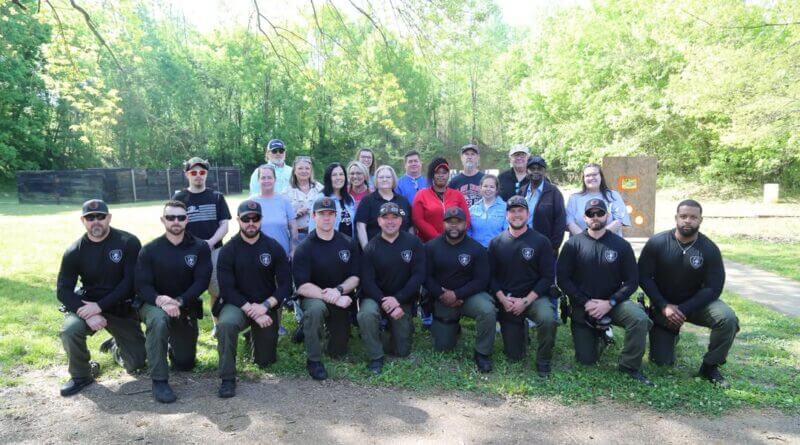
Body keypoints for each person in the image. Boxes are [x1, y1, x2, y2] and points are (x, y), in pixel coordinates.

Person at [638, 199, 737, 388]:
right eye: (683, 216)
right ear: (676, 218)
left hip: (696, 305)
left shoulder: (709, 249)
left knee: (727, 318)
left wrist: (683, 309)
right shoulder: (657, 243)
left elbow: (714, 287)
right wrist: (663, 305)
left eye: (693, 217)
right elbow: (643, 277)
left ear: (701, 220)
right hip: (664, 306)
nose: (687, 221)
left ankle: (710, 366)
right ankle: (671, 334)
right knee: (661, 363)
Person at [557, 199, 653, 385]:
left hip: (614, 303)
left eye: (599, 213)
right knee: (586, 361)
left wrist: (610, 302)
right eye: (591, 214)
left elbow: (632, 281)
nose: (595, 217)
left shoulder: (621, 245)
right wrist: (585, 302)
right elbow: (563, 280)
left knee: (639, 319)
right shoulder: (572, 245)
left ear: (607, 216)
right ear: (584, 218)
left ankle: (629, 365)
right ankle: (601, 335)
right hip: (583, 305)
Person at [56, 199, 146, 396]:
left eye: (100, 217)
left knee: (137, 364)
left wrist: (100, 306)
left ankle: (116, 347)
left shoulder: (128, 242)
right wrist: (89, 313)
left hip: (121, 307)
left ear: (109, 218)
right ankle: (81, 375)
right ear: (83, 221)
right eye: (90, 218)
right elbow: (63, 291)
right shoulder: (74, 251)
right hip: (88, 307)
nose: (95, 221)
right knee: (70, 330)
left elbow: (130, 282)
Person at [135, 200, 212, 403]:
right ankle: (159, 381)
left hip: (183, 306)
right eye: (170, 217)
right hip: (154, 304)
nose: (175, 221)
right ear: (163, 220)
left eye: (180, 217)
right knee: (159, 321)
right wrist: (161, 300)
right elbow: (142, 285)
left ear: (187, 220)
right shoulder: (150, 249)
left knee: (184, 364)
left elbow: (202, 281)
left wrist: (178, 301)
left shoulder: (200, 247)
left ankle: (167, 346)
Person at [215, 200, 291, 398]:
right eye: (246, 219)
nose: (251, 223)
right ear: (238, 220)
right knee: (226, 325)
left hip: (266, 306)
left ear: (261, 220)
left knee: (264, 361)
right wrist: (252, 310)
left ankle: (252, 338)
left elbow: (284, 285)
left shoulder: (273, 247)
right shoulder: (229, 250)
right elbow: (227, 289)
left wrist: (265, 306)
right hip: (237, 304)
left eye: (255, 218)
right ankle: (227, 378)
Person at [488, 196, 557, 377]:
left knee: (548, 317)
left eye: (520, 211)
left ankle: (543, 361)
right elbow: (490, 277)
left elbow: (548, 276)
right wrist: (502, 299)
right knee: (515, 356)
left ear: (528, 213)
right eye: (512, 211)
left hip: (534, 297)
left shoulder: (541, 242)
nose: (516, 215)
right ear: (506, 215)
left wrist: (526, 301)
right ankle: (521, 332)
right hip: (508, 300)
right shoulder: (496, 243)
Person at [294, 197, 361, 380]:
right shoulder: (305, 247)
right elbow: (302, 286)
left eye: (331, 214)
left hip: (339, 295)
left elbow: (355, 277)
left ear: (336, 216)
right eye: (322, 214)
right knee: (315, 311)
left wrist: (339, 291)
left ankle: (308, 329)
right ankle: (313, 360)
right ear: (314, 217)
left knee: (337, 351)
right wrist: (333, 297)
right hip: (313, 296)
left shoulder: (347, 242)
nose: (327, 218)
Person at [357, 202, 426, 374]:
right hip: (375, 297)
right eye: (385, 218)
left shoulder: (413, 243)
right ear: (379, 221)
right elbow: (367, 281)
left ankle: (385, 330)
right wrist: (384, 302)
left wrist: (398, 299)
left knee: (402, 351)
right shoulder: (371, 247)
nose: (390, 221)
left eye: (394, 217)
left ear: (401, 220)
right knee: (366, 314)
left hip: (402, 299)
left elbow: (418, 276)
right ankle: (376, 357)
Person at [425, 207, 495, 372]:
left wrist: (458, 294)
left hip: (469, 296)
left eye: (458, 222)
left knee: (487, 310)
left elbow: (482, 280)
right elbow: (425, 277)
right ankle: (453, 327)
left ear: (466, 224)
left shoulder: (476, 248)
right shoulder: (430, 247)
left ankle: (482, 353)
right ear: (444, 224)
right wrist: (441, 294)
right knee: (443, 346)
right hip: (442, 297)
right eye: (450, 222)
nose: (454, 226)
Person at [172, 157, 231, 332]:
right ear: (187, 174)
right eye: (194, 172)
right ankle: (184, 327)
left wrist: (210, 243)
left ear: (206, 174)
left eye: (202, 172)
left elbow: (225, 225)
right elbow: (175, 225)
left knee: (217, 291)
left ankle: (217, 325)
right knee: (186, 292)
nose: (198, 176)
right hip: (187, 252)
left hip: (214, 251)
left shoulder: (217, 197)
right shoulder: (179, 198)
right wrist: (195, 246)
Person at [412, 157, 471, 243]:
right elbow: (418, 220)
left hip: (455, 242)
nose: (441, 175)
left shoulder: (457, 195)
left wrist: (456, 236)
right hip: (429, 244)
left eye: (444, 172)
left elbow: (467, 218)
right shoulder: (421, 195)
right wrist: (438, 239)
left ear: (448, 175)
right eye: (437, 172)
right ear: (432, 175)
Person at [518, 156, 567, 256]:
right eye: (532, 169)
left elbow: (560, 221)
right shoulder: (522, 191)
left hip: (545, 247)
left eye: (539, 169)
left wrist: (554, 246)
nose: (536, 171)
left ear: (544, 171)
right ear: (527, 171)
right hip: (522, 243)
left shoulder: (554, 192)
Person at [355, 165, 413, 249]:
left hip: (402, 250)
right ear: (376, 180)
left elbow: (410, 226)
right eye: (381, 177)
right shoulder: (367, 200)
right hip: (375, 251)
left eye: (388, 177)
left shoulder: (403, 201)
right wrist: (367, 250)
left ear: (393, 180)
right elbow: (360, 226)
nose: (384, 179)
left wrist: (410, 247)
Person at [566, 163, 631, 237]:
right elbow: (569, 222)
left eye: (594, 174)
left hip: (609, 244)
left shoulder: (613, 196)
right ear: (583, 179)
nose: (591, 178)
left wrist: (598, 237)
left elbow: (619, 220)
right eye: (587, 175)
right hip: (581, 246)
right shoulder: (574, 198)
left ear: (601, 176)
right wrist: (584, 240)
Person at [252, 164, 298, 257]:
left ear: (275, 179)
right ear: (258, 180)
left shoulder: (284, 201)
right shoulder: (251, 202)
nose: (266, 180)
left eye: (269, 177)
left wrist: (293, 249)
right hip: (258, 255)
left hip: (282, 254)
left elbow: (293, 227)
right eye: (263, 178)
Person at [309, 162, 356, 237]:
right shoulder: (321, 198)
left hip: (349, 245)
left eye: (341, 174)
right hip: (328, 245)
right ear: (328, 178)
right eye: (334, 175)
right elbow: (313, 226)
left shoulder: (350, 199)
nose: (338, 178)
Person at [283, 156, 323, 242]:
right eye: (300, 168)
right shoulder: (286, 192)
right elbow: (281, 218)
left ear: (311, 171)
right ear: (294, 171)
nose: (304, 171)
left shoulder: (320, 189)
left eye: (307, 168)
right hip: (297, 236)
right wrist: (295, 214)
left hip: (318, 234)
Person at [467, 174, 507, 248]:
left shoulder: (505, 208)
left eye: (492, 187)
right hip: (476, 251)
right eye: (485, 186)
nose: (488, 189)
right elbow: (469, 232)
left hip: (497, 251)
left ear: (496, 189)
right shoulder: (472, 209)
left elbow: (508, 233)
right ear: (480, 188)